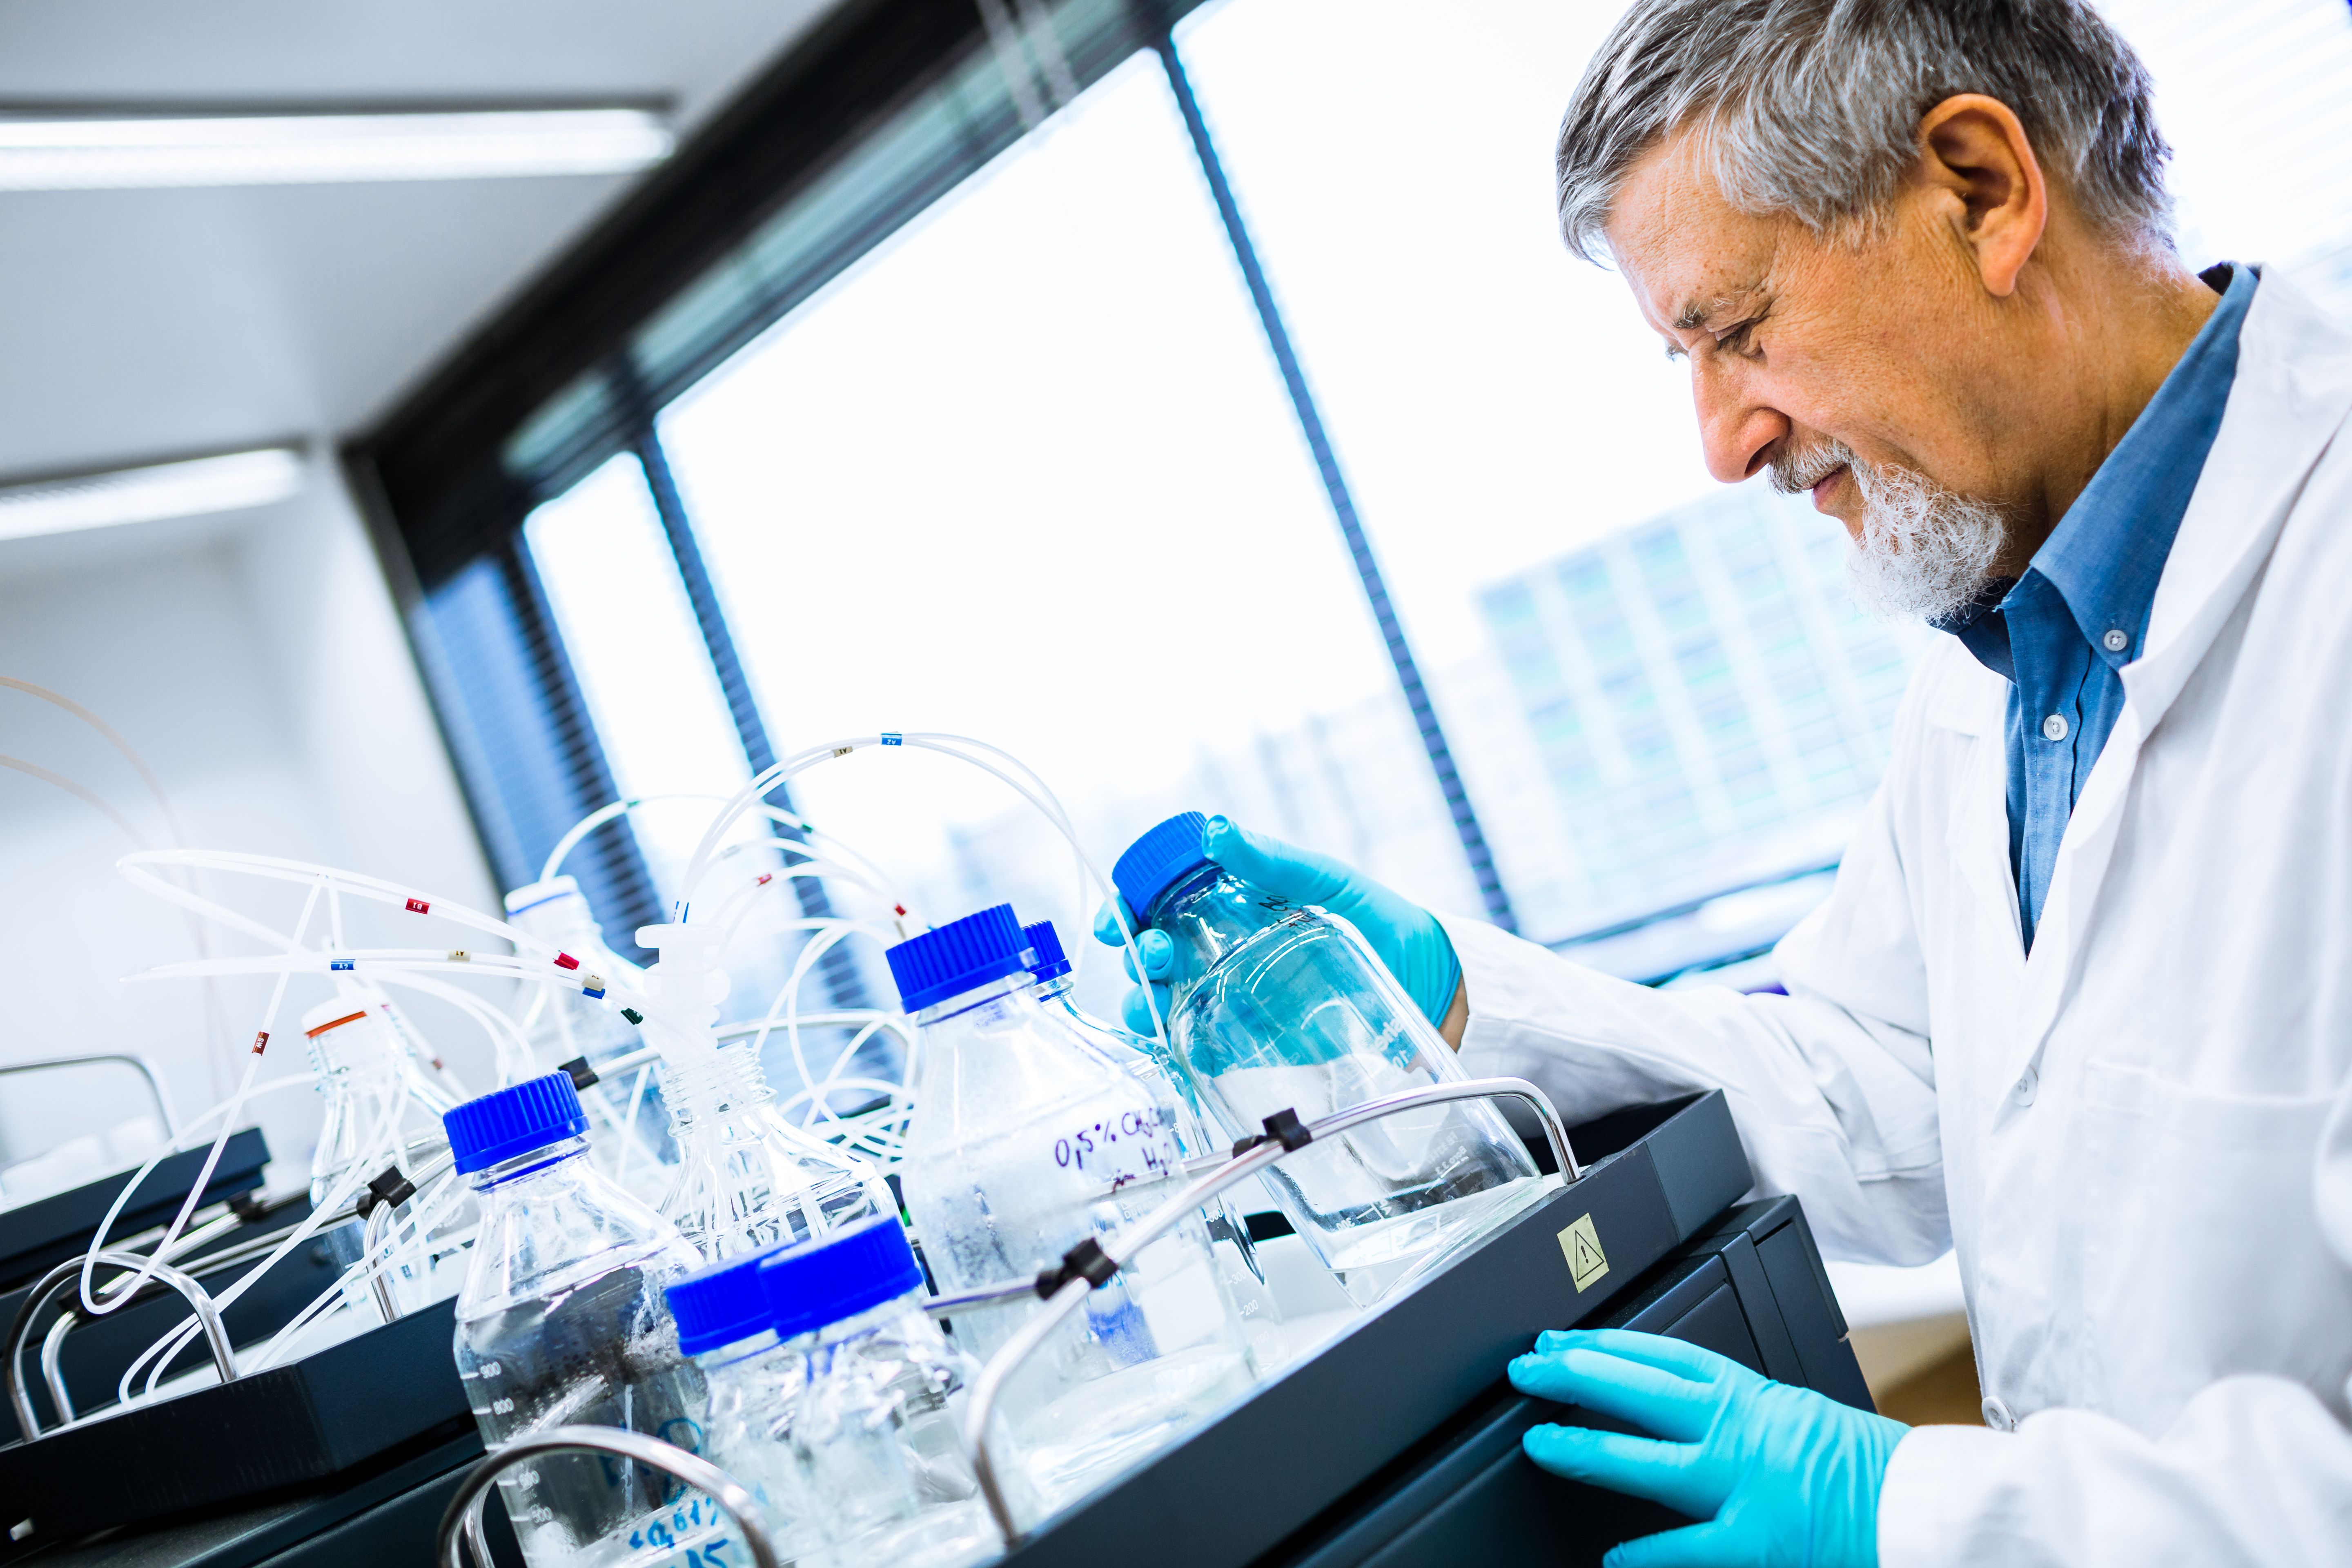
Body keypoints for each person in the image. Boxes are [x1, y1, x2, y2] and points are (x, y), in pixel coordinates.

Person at [1097, 1, 2352, 1561]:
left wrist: (1916, 1512)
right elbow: (1874, 1089)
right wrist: (1445, 997)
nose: (1719, 440)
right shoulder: (2007, 677)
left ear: (1982, 191)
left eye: (1739, 330)